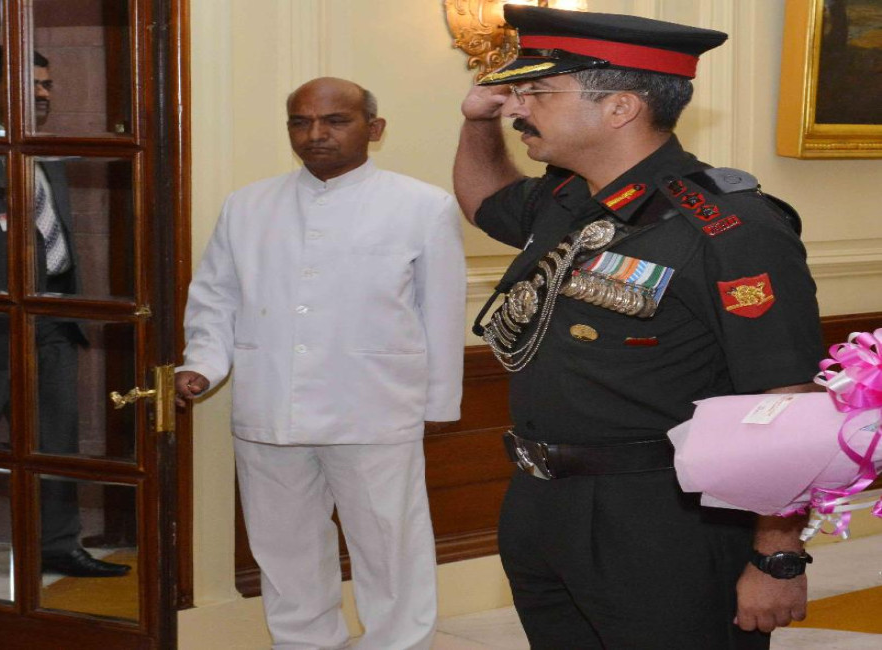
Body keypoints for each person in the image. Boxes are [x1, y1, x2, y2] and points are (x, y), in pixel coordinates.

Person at [453, 7, 820, 648]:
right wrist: (476, 122)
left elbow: (786, 403)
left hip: (663, 515)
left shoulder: (730, 227)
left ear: (620, 107)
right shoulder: (568, 198)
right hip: (541, 500)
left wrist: (778, 554)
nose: (518, 106)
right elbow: (484, 201)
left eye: (539, 92)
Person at [177, 77, 465, 650]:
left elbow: (441, 312)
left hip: (376, 406)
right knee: (284, 548)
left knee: (390, 549)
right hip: (269, 404)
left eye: (335, 120)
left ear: (374, 129)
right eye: (300, 121)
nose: (316, 134)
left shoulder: (423, 205)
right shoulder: (247, 205)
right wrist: (203, 363)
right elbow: (215, 297)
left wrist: (438, 404)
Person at [0, 44, 130, 580]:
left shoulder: (46, 149)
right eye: (30, 83)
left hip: (53, 316)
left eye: (46, 84)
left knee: (54, 443)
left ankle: (55, 545)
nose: (42, 94)